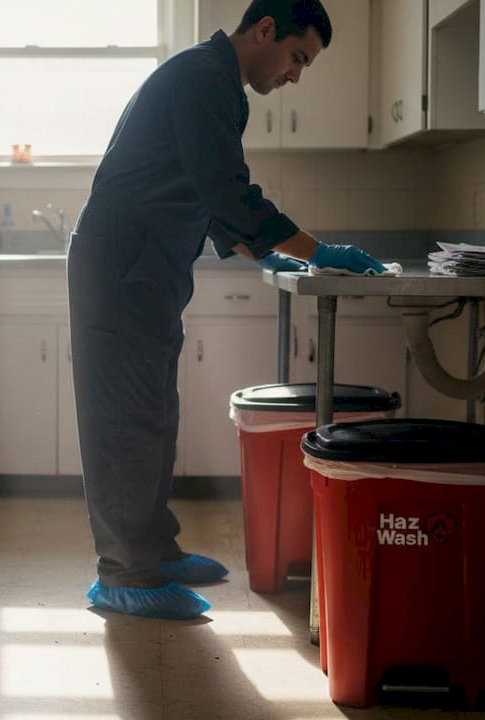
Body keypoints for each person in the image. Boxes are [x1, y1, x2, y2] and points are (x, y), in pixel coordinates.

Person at [67, 0, 387, 620]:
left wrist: (266, 255)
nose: (296, 75)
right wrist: (318, 251)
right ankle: (123, 573)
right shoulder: (201, 79)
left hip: (147, 268)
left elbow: (204, 198)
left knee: (155, 412)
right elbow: (228, 191)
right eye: (297, 57)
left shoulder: (221, 87)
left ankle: (153, 548)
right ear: (265, 30)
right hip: (121, 265)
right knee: (125, 418)